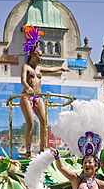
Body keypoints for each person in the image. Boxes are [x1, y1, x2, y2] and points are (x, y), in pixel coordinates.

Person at [20, 25, 69, 159]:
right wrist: (28, 88)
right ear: (33, 54)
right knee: (30, 123)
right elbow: (23, 80)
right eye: (39, 56)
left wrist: (61, 68)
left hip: (39, 98)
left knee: (44, 122)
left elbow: (51, 69)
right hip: (27, 97)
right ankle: (28, 152)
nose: (41, 58)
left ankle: (43, 149)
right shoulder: (26, 67)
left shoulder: (39, 69)